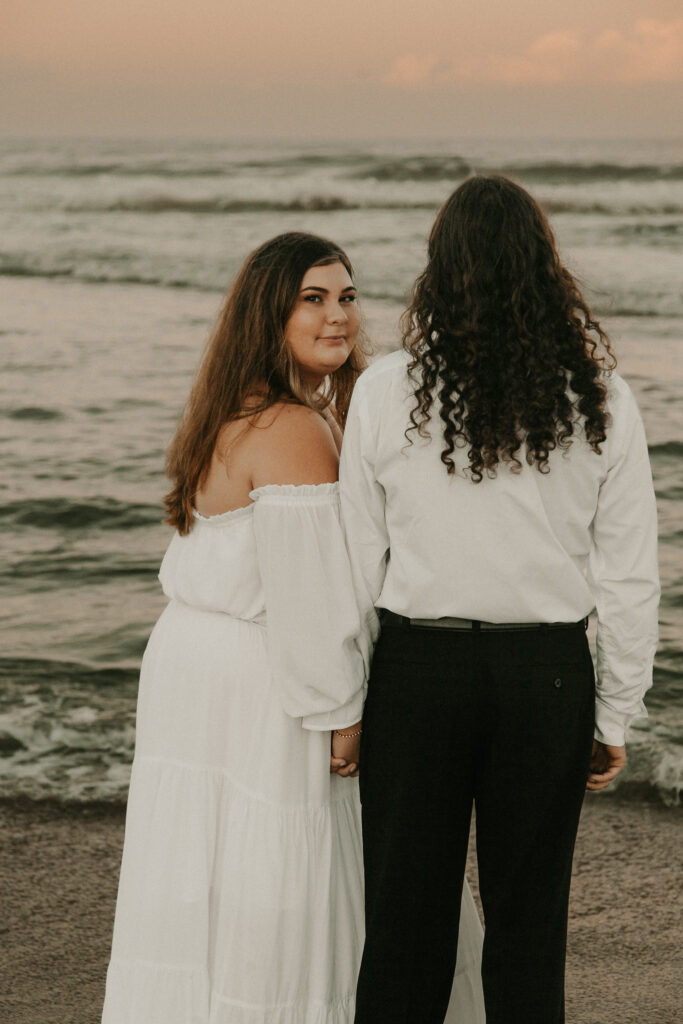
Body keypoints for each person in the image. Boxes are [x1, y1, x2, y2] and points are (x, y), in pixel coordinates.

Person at [102, 231, 485, 1024]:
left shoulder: (231, 409)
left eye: (345, 295)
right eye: (311, 298)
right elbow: (315, 604)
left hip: (193, 661)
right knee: (290, 874)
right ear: (266, 313)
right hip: (265, 676)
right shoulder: (293, 429)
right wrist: (342, 712)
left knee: (212, 877)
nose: (337, 315)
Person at [339, 177, 660, 1024]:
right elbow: (629, 573)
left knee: (403, 930)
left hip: (416, 672)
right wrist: (615, 711)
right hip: (544, 679)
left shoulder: (384, 389)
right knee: (528, 931)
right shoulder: (600, 398)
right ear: (544, 267)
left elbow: (354, 564)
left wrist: (343, 700)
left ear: (438, 271)